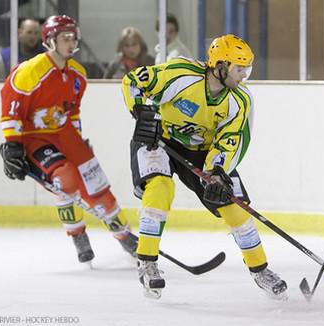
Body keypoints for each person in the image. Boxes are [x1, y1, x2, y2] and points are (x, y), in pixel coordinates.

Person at [121, 34, 287, 299]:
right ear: (220, 66)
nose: (244, 75)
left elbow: (231, 141)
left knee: (234, 207)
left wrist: (218, 172)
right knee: (160, 189)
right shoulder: (180, 74)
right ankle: (147, 262)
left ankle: (260, 270)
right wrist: (142, 113)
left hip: (202, 153)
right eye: (239, 68)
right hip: (159, 138)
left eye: (247, 68)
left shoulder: (240, 101)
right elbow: (133, 81)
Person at [0, 15, 136, 265]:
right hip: (34, 137)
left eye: (74, 38)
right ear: (50, 40)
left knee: (97, 186)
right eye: (65, 38)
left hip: (66, 135)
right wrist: (12, 145)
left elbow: (72, 112)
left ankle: (124, 235)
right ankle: (77, 234)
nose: (71, 43)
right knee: (66, 180)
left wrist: (78, 141)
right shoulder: (30, 71)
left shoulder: (78, 75)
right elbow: (11, 107)